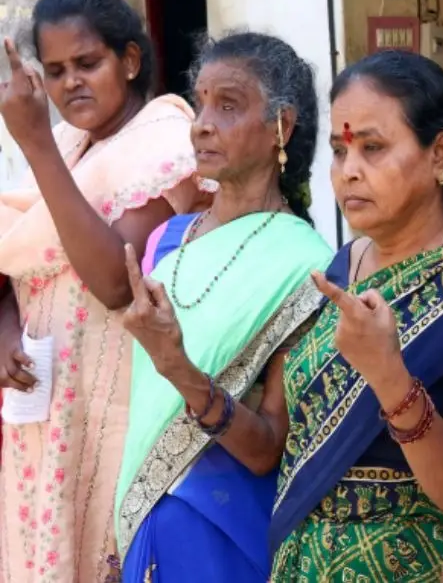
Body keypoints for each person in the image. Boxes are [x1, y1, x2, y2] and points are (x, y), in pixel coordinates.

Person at [268, 49, 443, 582]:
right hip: (305, 564)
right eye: (339, 150)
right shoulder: (340, 267)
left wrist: (389, 378)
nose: (349, 171)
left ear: (439, 154)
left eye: (373, 148)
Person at [0, 0, 204, 582]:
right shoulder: (69, 142)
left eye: (88, 63)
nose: (71, 83)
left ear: (131, 59)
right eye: (56, 69)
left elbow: (116, 280)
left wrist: (35, 145)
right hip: (44, 402)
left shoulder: (167, 144)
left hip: (114, 406)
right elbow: (17, 258)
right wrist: (6, 329)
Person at [111, 31, 332, 582]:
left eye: (228, 105)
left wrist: (180, 369)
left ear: (281, 126)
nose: (201, 122)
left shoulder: (307, 266)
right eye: (201, 101)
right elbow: (141, 414)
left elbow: (266, 450)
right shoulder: (167, 240)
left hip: (222, 534)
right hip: (140, 523)